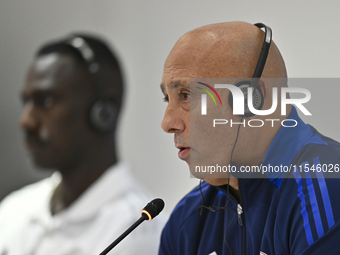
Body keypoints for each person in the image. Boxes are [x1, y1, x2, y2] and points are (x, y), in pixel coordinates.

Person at [158, 21, 340, 255]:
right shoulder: (187, 219)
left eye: (186, 96)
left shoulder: (328, 189)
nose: (167, 123)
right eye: (167, 99)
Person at [0, 33, 166, 255]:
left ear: (104, 110)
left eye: (46, 101)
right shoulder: (14, 209)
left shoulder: (139, 230)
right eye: (27, 103)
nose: (26, 121)